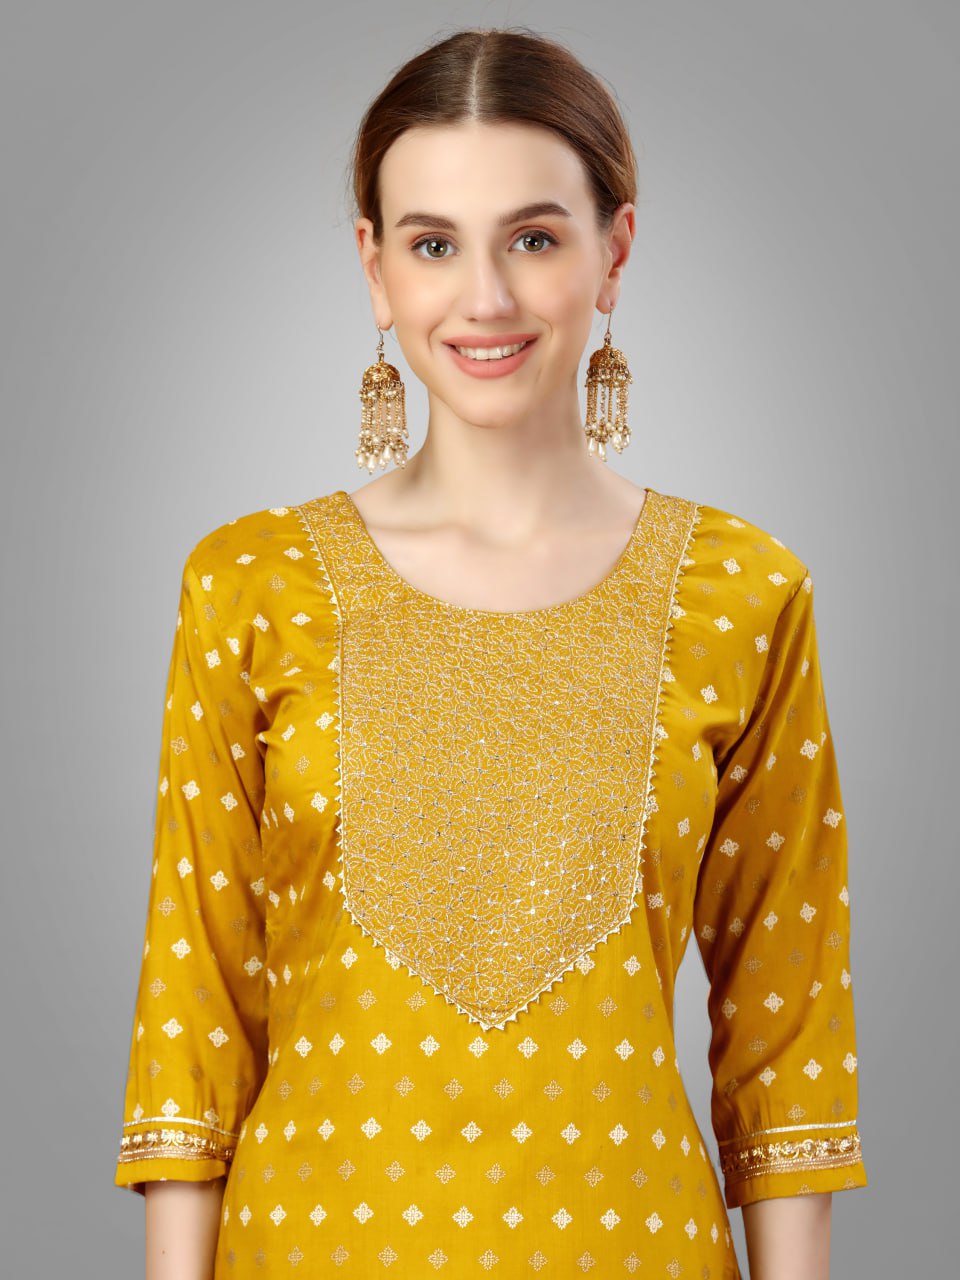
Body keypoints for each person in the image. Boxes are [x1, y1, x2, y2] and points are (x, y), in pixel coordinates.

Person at [114, 27, 868, 1279]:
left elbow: (786, 1042)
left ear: (615, 252)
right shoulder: (248, 586)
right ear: (374, 269)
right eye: (433, 245)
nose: (485, 299)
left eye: (532, 238)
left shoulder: (743, 593)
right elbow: (195, 1018)